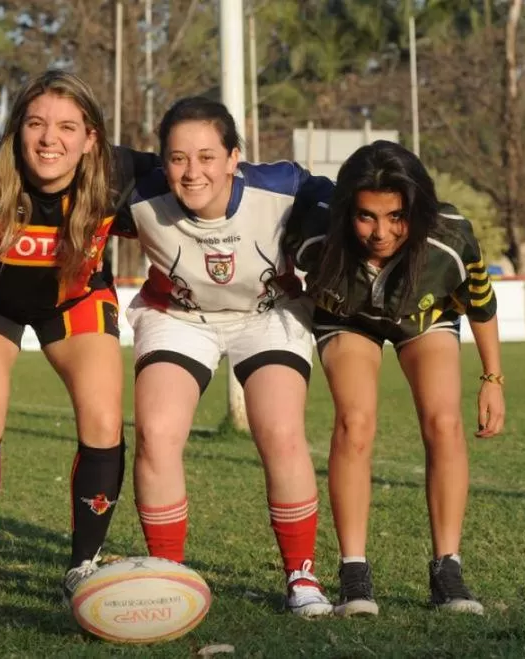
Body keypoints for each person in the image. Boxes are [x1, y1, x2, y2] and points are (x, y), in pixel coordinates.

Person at [0, 70, 159, 614]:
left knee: (104, 421)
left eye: (66, 126)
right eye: (35, 123)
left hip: (74, 299)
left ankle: (83, 567)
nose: (49, 139)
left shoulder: (122, 173)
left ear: (91, 138)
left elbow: (206, 175)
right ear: (17, 130)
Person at [112, 96, 335, 617]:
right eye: (178, 158)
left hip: (268, 314)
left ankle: (302, 575)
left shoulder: (284, 186)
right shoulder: (138, 196)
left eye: (207, 156)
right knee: (158, 432)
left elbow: (352, 205)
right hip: (179, 317)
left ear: (235, 157)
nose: (192, 172)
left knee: (280, 431)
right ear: (162, 160)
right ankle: (170, 577)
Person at [283, 140, 505, 617]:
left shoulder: (452, 238)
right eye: (366, 216)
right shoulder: (312, 235)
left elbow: (482, 306)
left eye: (397, 216)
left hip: (425, 320)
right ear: (346, 210)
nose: (381, 232)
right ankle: (354, 574)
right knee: (354, 422)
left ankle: (448, 570)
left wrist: (493, 378)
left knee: (444, 422)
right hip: (348, 319)